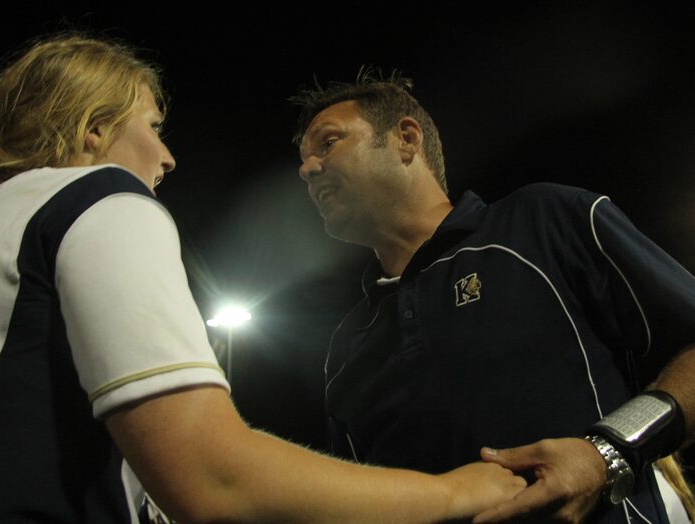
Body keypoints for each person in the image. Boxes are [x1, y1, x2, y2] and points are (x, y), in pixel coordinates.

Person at [0, 35, 526, 523]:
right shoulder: (94, 198)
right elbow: (211, 478)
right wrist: (453, 492)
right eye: (152, 127)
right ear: (93, 131)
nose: (167, 156)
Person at [293, 72, 695, 523]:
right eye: (304, 162)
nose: (308, 170)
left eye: (328, 143)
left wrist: (608, 452)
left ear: (406, 139)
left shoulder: (545, 222)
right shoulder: (346, 350)